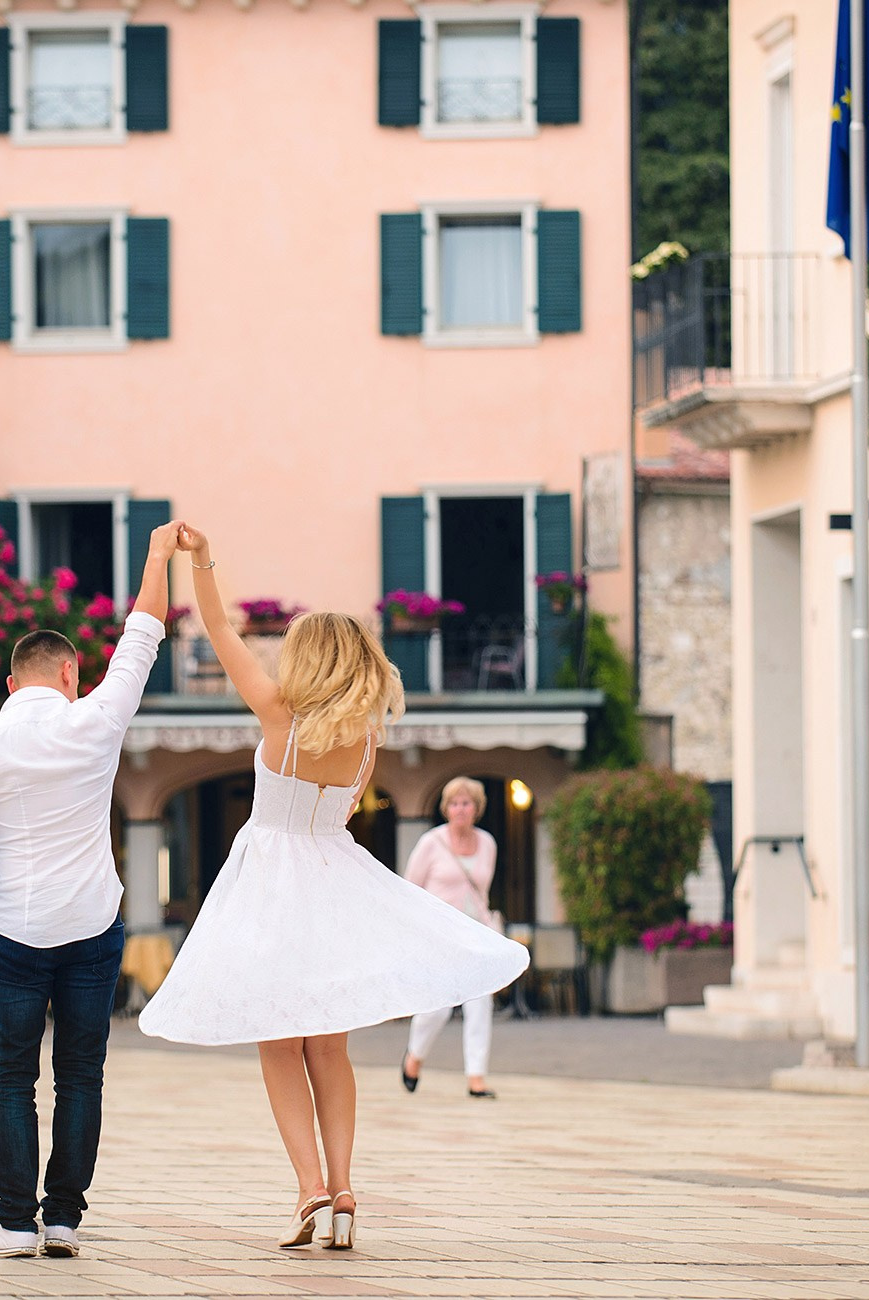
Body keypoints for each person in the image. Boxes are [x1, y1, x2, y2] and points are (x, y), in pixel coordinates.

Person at [137, 524, 527, 1252]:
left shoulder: (278, 715)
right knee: (330, 1049)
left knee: (278, 1043)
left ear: (307, 659)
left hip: (272, 886)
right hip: (333, 880)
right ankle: (345, 1191)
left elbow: (217, 627)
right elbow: (343, 813)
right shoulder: (367, 739)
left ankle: (309, 1185)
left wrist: (201, 559)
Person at [0, 518, 178, 1261]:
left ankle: (16, 1223)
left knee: (10, 1079)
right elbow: (144, 631)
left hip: (15, 932)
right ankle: (63, 1221)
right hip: (92, 929)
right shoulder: (96, 719)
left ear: (8, 682)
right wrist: (156, 555)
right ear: (69, 675)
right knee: (80, 1075)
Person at [400, 777, 506, 1099]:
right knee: (437, 1008)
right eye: (455, 803)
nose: (461, 809)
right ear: (447, 808)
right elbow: (411, 887)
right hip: (439, 934)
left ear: (477, 808)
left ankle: (477, 1078)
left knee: (480, 1003)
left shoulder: (487, 843)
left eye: (467, 803)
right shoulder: (431, 843)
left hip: (475, 932)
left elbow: (482, 891)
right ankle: (414, 1057)